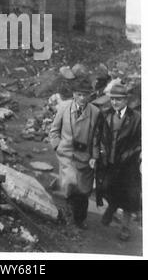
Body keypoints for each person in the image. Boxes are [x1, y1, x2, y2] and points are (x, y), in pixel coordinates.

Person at [50, 77, 102, 229]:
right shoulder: (64, 107)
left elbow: (96, 138)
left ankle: (80, 219)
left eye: (85, 95)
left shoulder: (95, 112)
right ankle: (69, 217)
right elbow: (54, 131)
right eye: (79, 94)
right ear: (74, 94)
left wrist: (94, 156)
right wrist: (57, 147)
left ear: (90, 96)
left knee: (83, 190)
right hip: (66, 155)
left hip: (85, 158)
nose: (82, 98)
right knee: (69, 185)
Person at [94, 83, 141, 241]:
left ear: (126, 100)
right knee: (107, 187)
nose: (115, 102)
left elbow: (141, 142)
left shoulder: (136, 118)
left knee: (129, 197)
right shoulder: (105, 114)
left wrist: (128, 154)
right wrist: (101, 153)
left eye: (119, 99)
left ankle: (125, 228)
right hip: (110, 163)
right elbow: (99, 137)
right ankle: (112, 207)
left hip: (128, 166)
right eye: (113, 99)